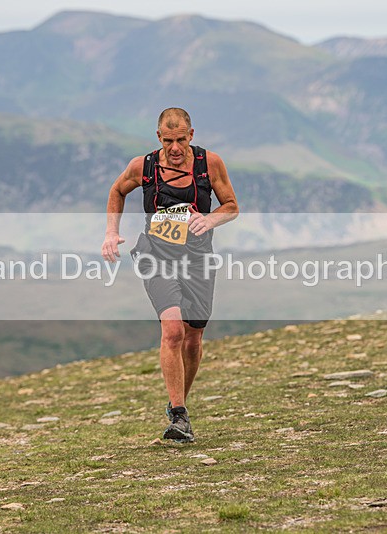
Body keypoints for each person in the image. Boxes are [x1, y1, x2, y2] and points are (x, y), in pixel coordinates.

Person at [101, 108, 238, 442]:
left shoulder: (210, 164)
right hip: (156, 255)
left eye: (180, 140)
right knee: (173, 329)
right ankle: (179, 413)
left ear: (191, 135)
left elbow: (231, 206)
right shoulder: (143, 167)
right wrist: (111, 232)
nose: (174, 148)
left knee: (193, 337)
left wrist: (210, 219)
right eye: (167, 141)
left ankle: (179, 406)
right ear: (158, 137)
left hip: (197, 258)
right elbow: (117, 190)